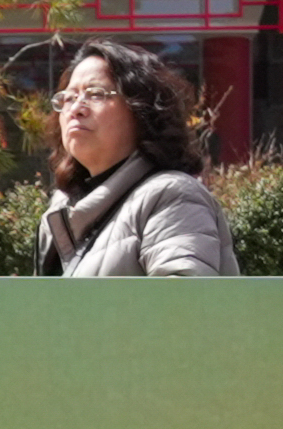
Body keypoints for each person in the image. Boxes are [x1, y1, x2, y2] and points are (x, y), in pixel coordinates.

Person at [38, 41, 233, 280]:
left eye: (95, 94)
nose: (76, 109)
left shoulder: (171, 196)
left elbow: (184, 309)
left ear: (141, 110)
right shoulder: (61, 210)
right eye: (69, 98)